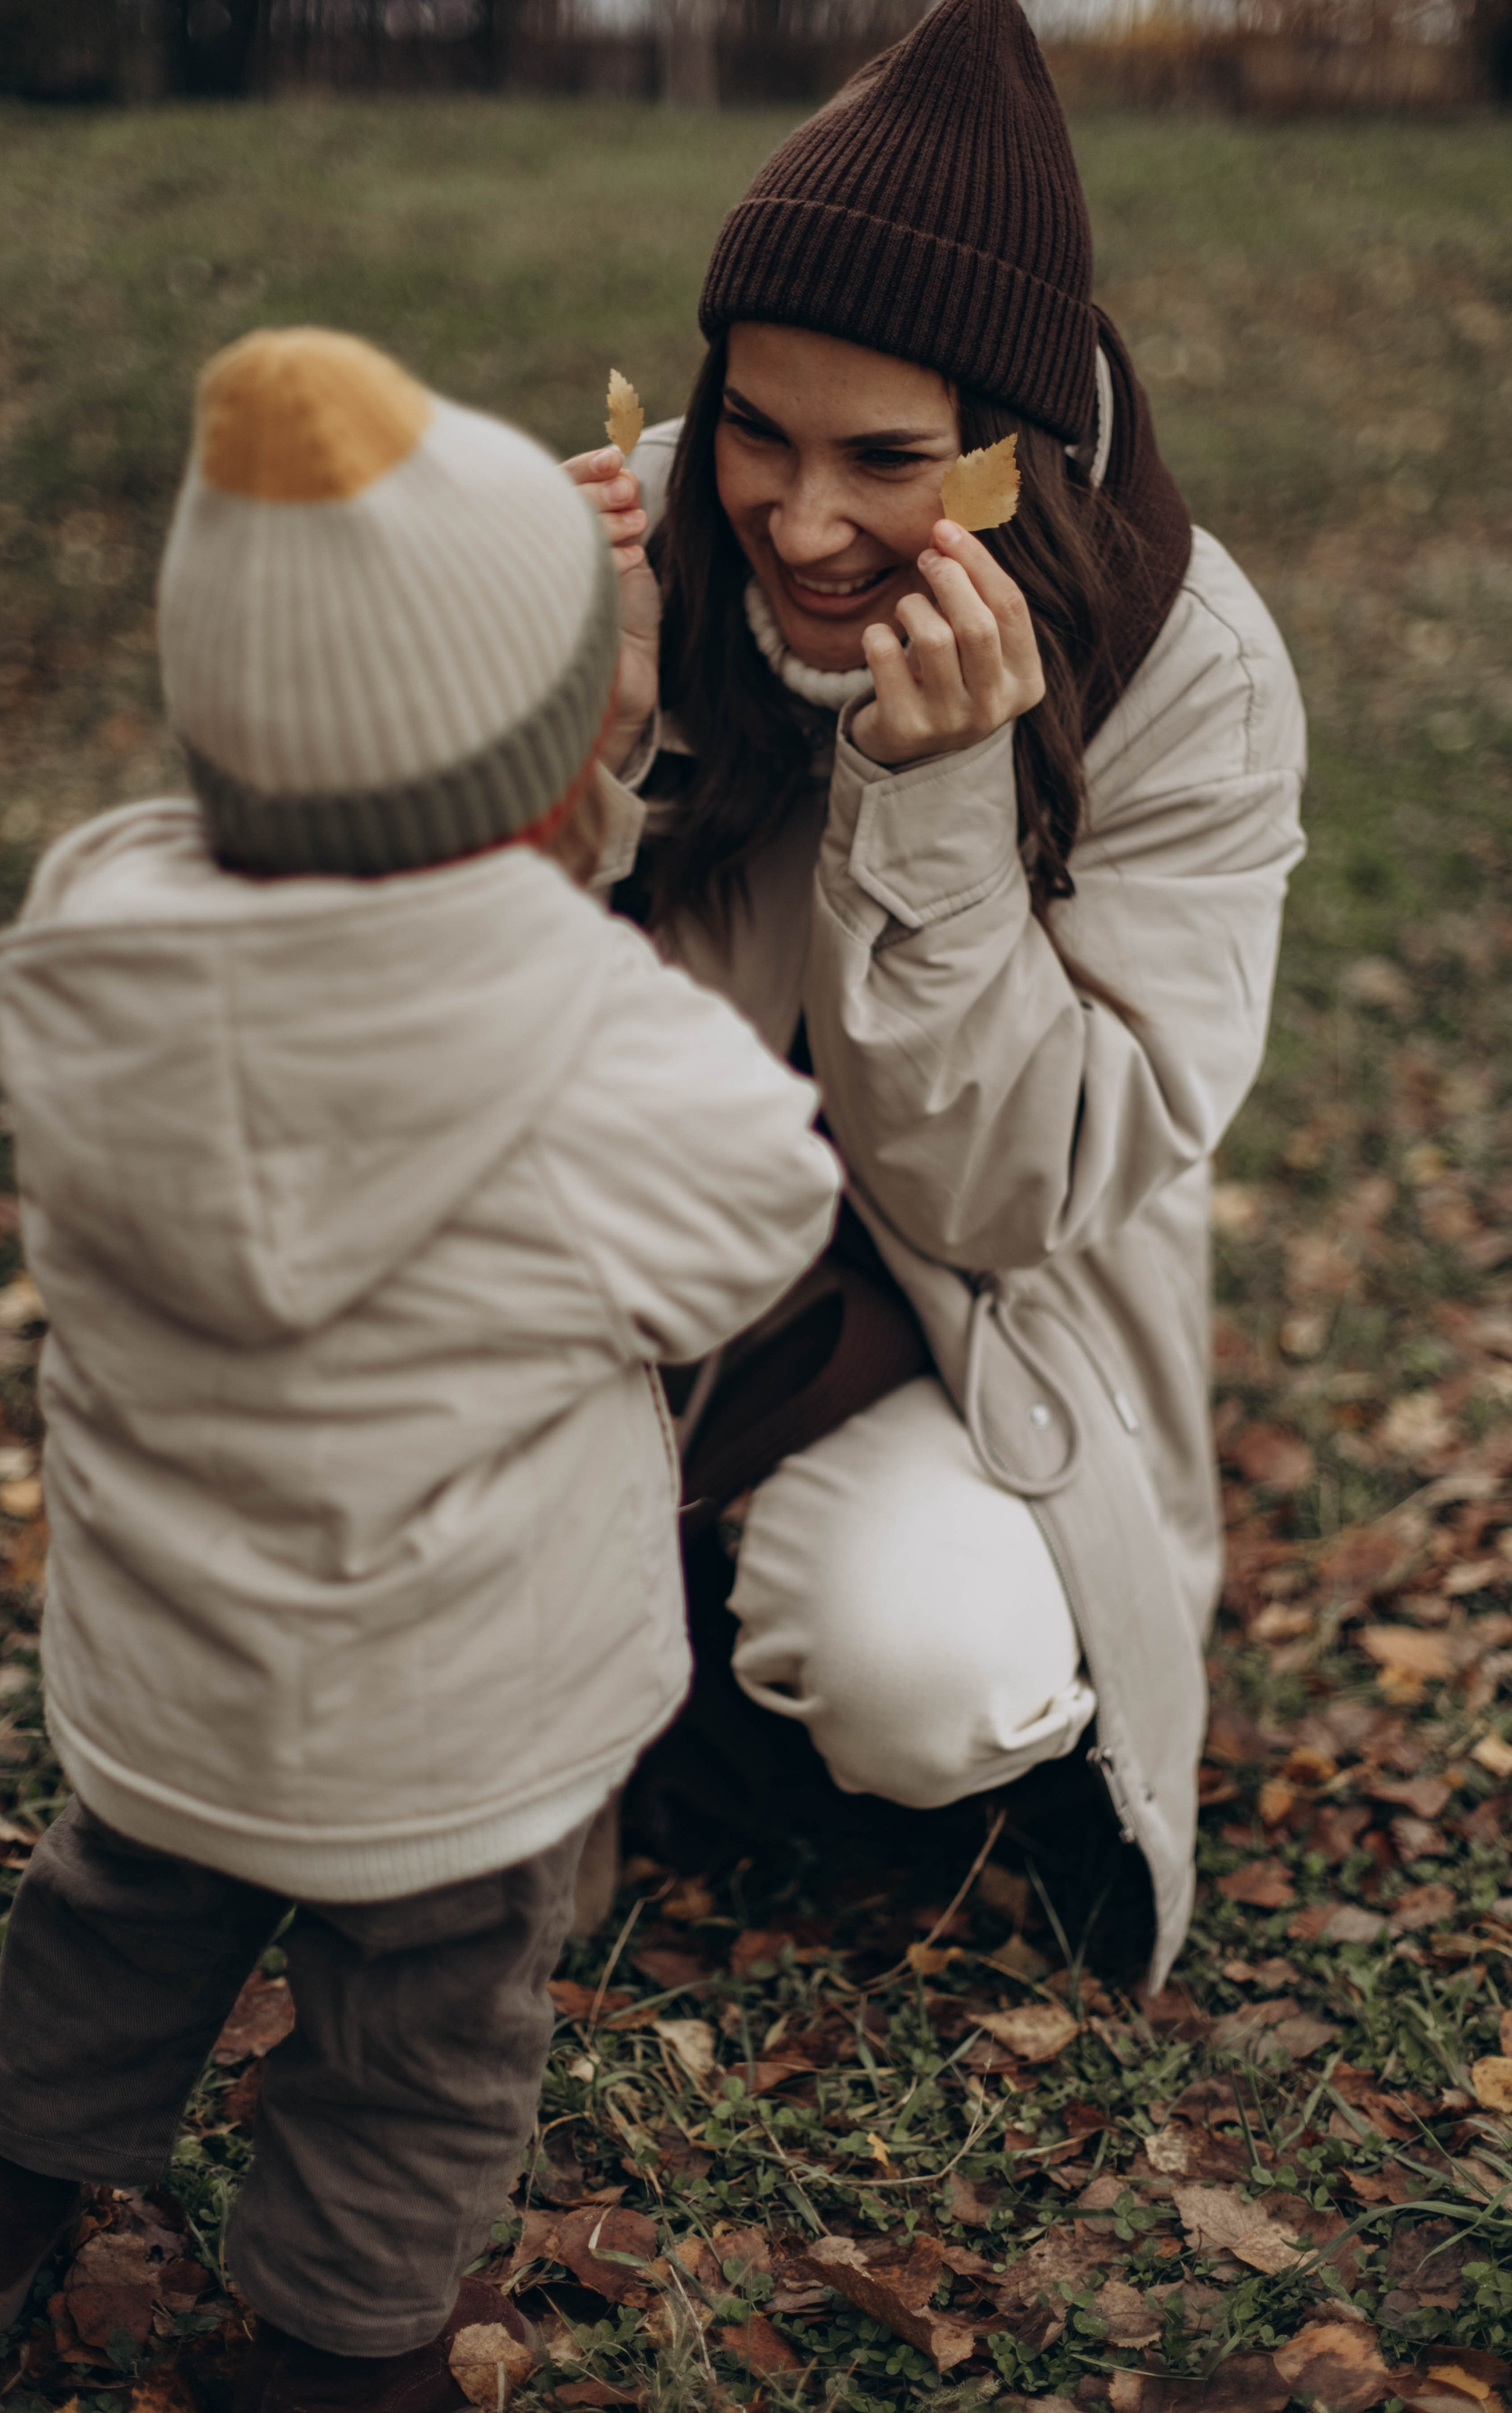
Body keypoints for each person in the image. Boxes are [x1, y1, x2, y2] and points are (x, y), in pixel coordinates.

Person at [0, 328, 840, 2412]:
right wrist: (594, 785)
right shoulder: (601, 1051)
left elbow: (370, 947)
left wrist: (525, 776)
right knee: (424, 2045)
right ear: (548, 770)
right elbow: (754, 1221)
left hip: (176, 1687)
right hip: (454, 1724)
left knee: (120, 1916)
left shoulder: (95, 935)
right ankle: (337, 2359)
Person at [566, 0, 1306, 1989]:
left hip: (978, 1324)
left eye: (886, 462)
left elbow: (1006, 1191)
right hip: (623, 1282)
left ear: (1020, 460)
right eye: (757, 429)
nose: (801, 524)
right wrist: (580, 756)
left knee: (927, 1679)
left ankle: (757, 1651)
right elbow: (433, 1047)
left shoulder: (1193, 676)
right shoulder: (626, 545)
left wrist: (936, 807)